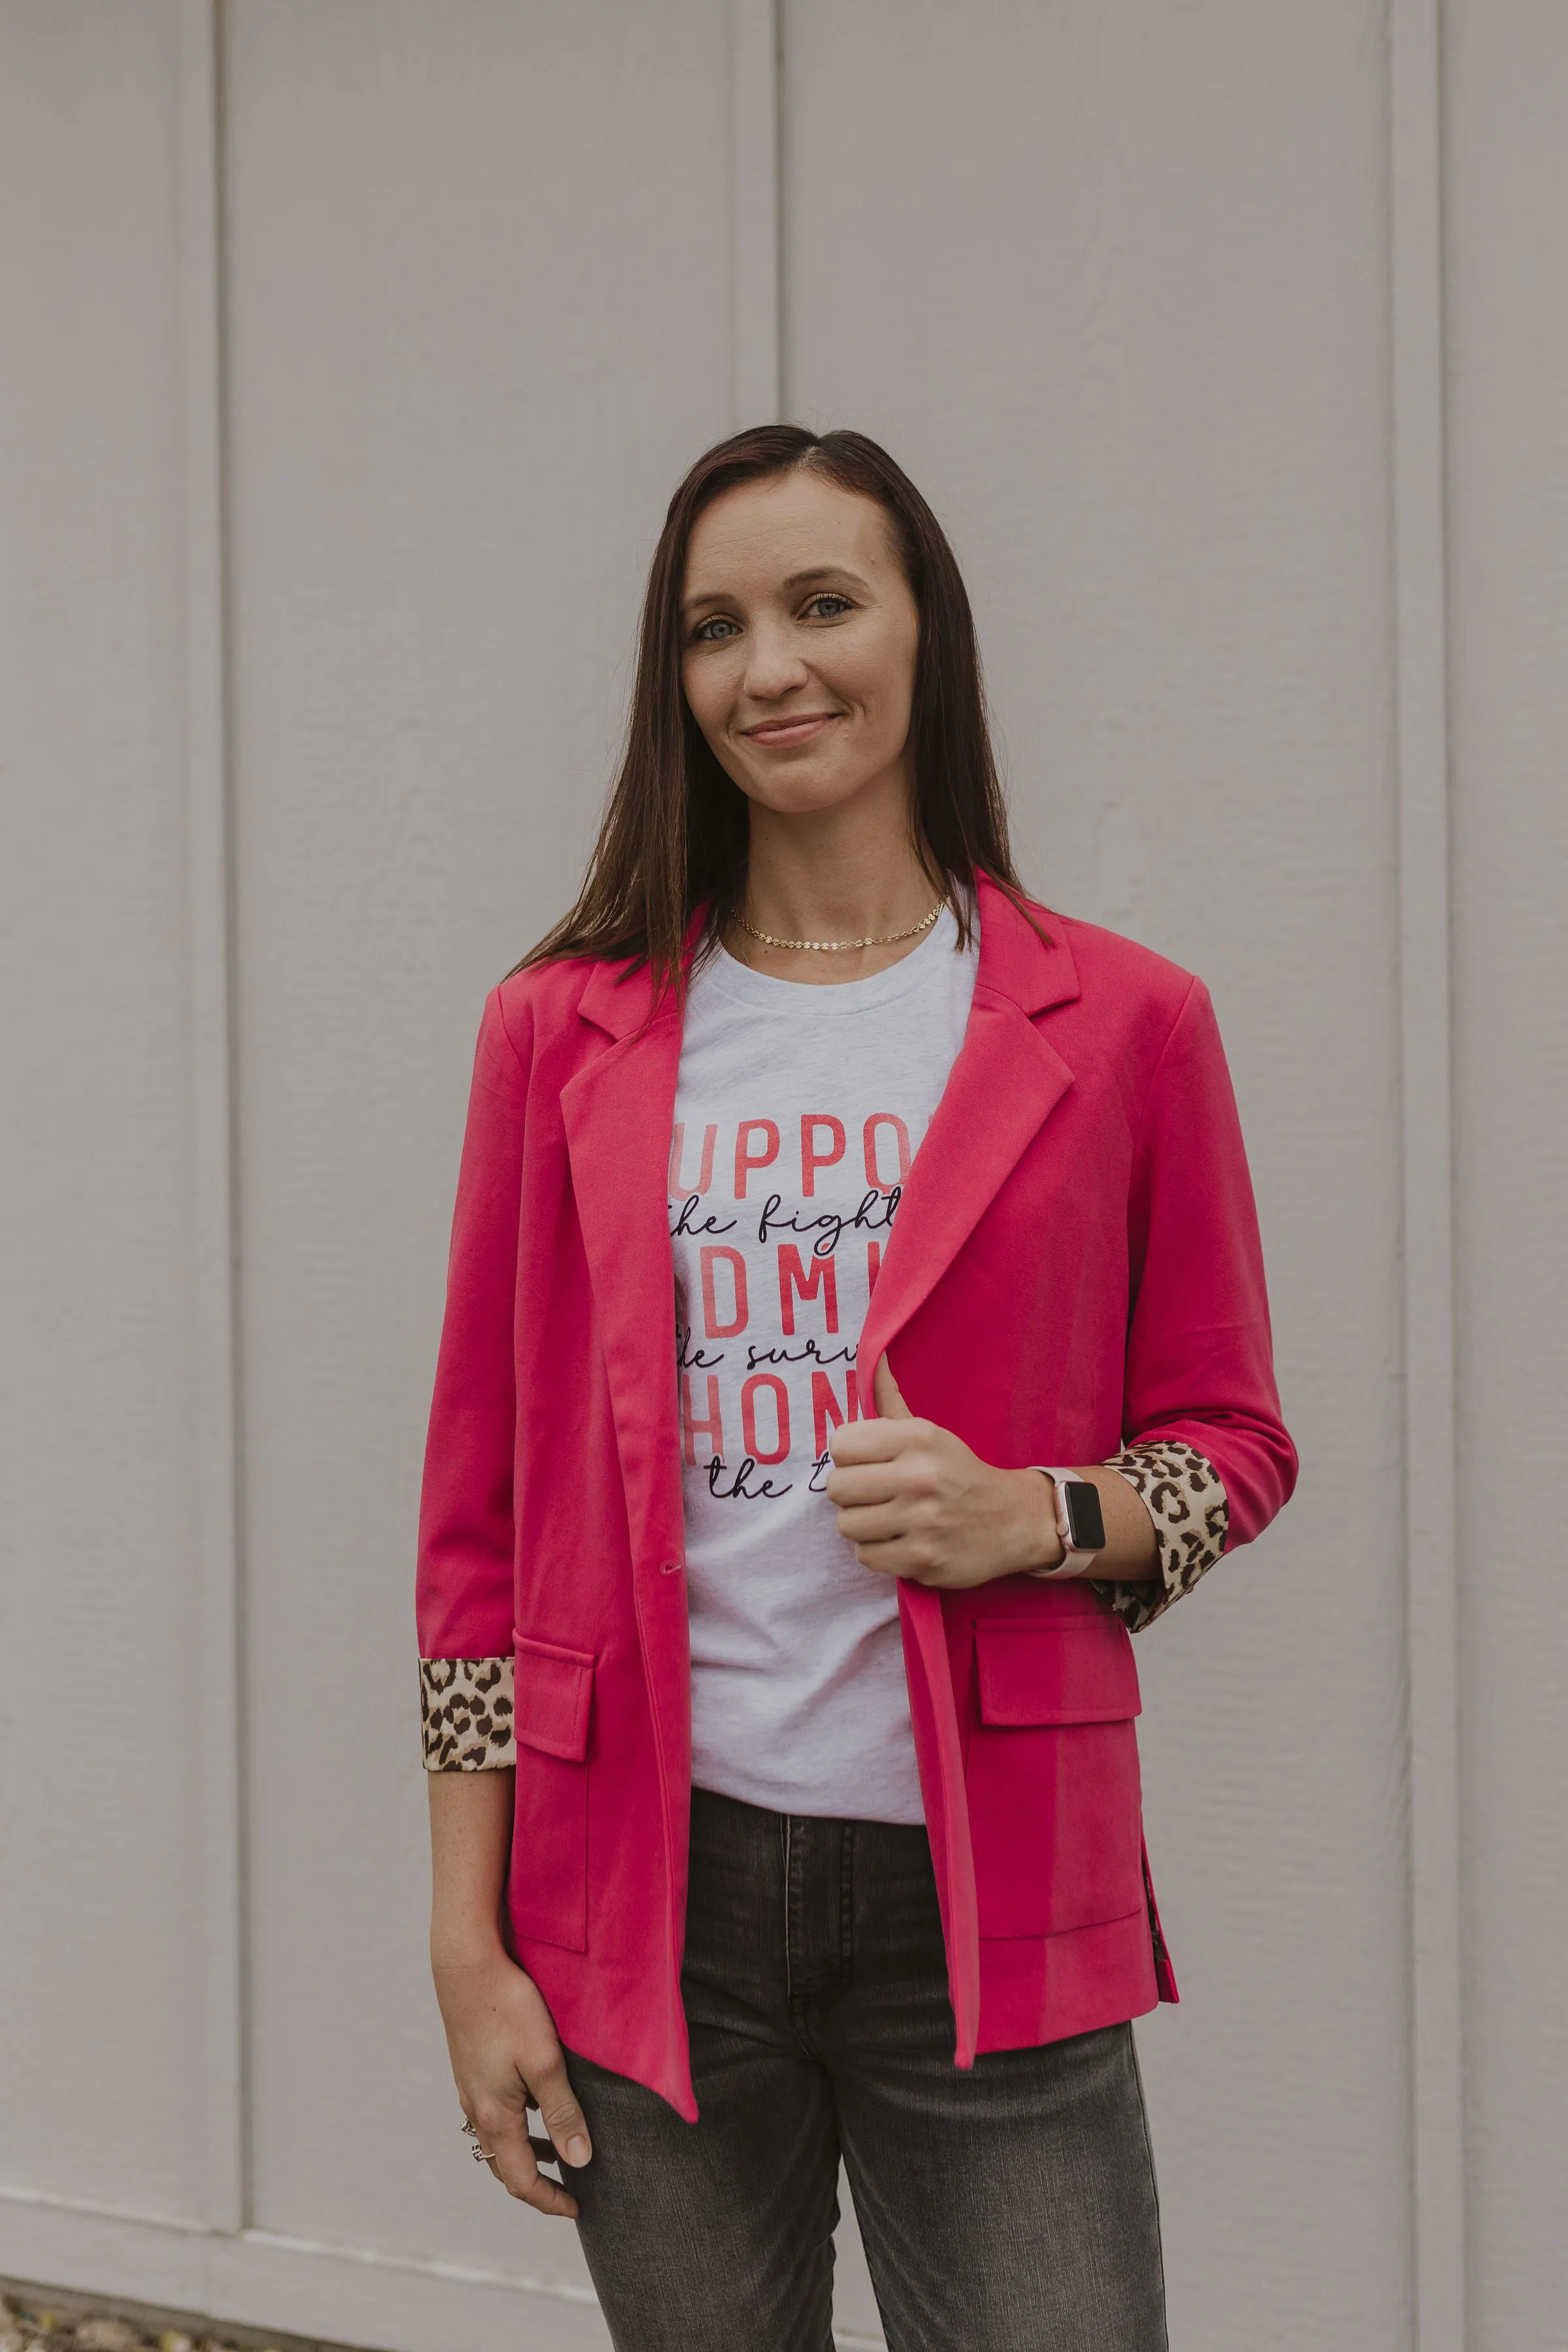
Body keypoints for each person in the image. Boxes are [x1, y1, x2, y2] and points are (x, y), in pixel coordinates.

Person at [417, 425, 1296, 2351]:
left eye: (826, 604)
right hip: (648, 1896)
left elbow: (1235, 1446)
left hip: (983, 1893)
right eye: (715, 627)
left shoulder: (1126, 1022)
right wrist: (467, 1947)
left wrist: (1040, 1516)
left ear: (926, 635)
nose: (772, 667)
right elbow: (475, 1524)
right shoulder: (558, 1030)